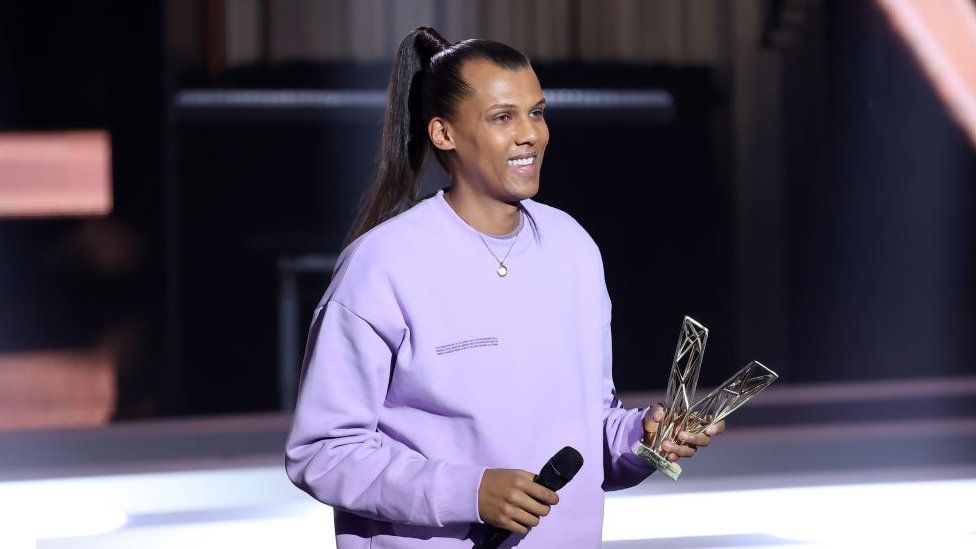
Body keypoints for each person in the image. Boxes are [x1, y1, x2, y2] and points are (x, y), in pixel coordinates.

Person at [285, 27, 725, 548]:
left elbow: (587, 431)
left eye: (537, 112)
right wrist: (469, 492)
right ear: (443, 134)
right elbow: (323, 452)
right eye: (503, 117)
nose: (530, 134)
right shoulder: (381, 265)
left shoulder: (572, 248)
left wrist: (640, 439)